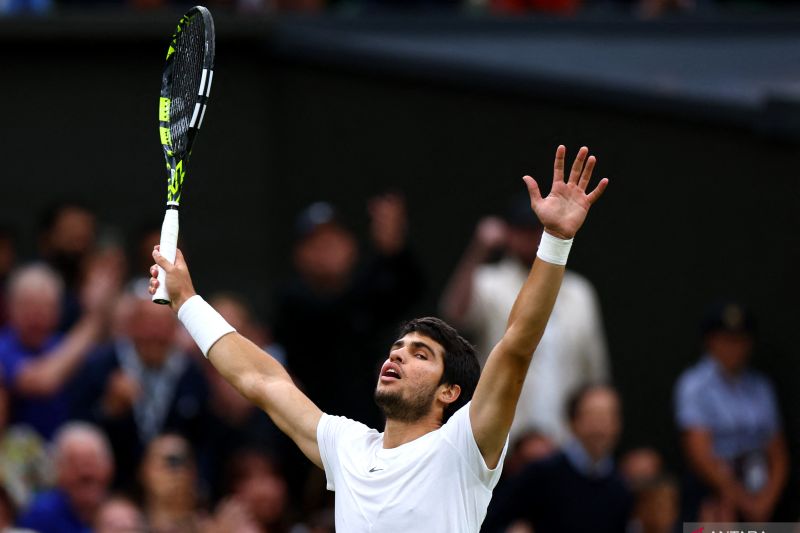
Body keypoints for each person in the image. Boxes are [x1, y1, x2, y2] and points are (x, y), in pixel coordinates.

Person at [148, 145, 608, 532]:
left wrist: (554, 241)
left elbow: (516, 345)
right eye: (398, 348)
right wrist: (187, 301)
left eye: (421, 354)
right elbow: (262, 380)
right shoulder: (348, 447)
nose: (399, 357)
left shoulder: (465, 447)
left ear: (451, 391)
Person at [440, 193, 608, 445]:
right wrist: (479, 248)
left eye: (538, 230)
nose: (531, 238)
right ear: (509, 233)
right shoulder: (489, 282)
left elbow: (594, 369)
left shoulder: (579, 292)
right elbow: (454, 315)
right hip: (504, 440)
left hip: (566, 441)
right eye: (523, 230)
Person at [273, 195, 425, 427]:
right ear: (300, 255)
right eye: (317, 244)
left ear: (350, 245)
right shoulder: (292, 302)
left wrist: (396, 252)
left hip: (371, 429)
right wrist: (384, 257)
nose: (327, 250)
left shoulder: (371, 292)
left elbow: (411, 291)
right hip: (312, 433)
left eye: (334, 240)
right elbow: (333, 312)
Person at [70, 289, 211, 491]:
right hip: (113, 488)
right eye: (147, 324)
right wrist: (109, 410)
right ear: (130, 326)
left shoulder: (191, 373)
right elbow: (77, 428)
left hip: (174, 490)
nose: (154, 334)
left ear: (175, 329)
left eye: (162, 325)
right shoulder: (100, 366)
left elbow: (204, 440)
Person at [674, 301, 788, 522]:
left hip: (760, 494)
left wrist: (765, 502)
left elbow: (778, 454)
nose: (733, 348)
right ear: (710, 342)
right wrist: (742, 500)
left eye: (740, 341)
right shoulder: (694, 386)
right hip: (713, 497)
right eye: (726, 340)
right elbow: (700, 455)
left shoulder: (761, 386)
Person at [482, 384, 632, 533]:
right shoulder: (541, 474)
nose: (600, 428)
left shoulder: (621, 487)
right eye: (592, 417)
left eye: (607, 417)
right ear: (573, 422)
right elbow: (490, 520)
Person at [0, 261, 119, 440]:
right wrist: (93, 320)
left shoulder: (61, 345)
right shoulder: (4, 347)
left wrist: (103, 303)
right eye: (29, 307)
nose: (37, 316)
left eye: (46, 307)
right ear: (10, 308)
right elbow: (43, 380)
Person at [17, 422, 114, 533]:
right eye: (76, 464)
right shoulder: (40, 516)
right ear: (58, 469)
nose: (86, 473)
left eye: (92, 463)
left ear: (110, 467)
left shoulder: (123, 514)